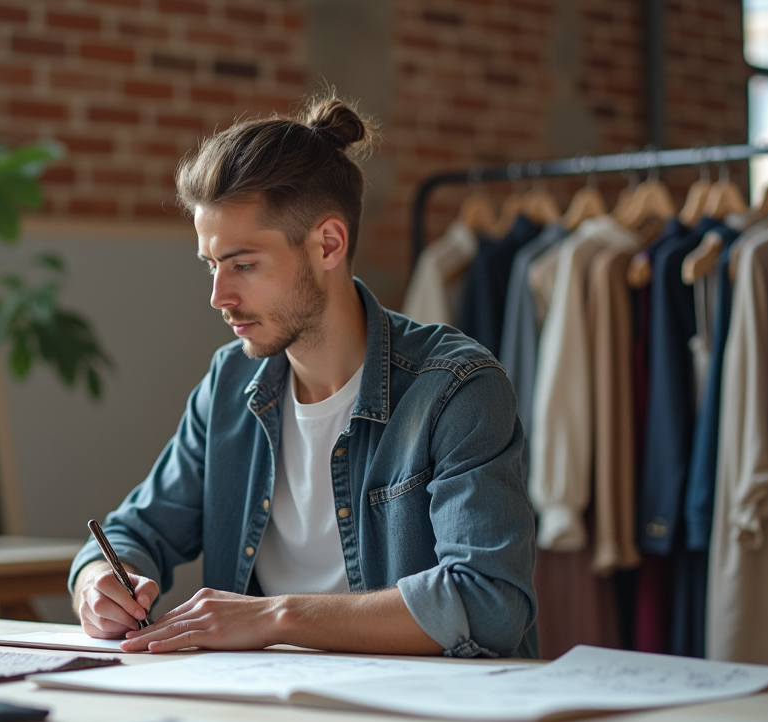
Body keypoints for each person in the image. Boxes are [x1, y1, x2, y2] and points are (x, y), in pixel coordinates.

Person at [70, 93, 538, 658]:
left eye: (243, 264)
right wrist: (98, 583)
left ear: (328, 244)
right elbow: (131, 534)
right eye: (211, 265)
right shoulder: (228, 386)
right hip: (266, 715)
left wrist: (276, 617)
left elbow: (487, 603)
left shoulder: (456, 388)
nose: (219, 296)